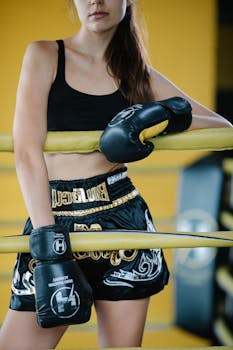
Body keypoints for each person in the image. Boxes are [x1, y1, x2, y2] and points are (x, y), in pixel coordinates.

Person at [0, 0, 232, 349]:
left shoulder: (138, 74)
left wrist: (158, 116)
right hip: (53, 220)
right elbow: (27, 152)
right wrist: (49, 245)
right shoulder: (45, 55)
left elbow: (223, 127)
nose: (96, 1)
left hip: (122, 220)